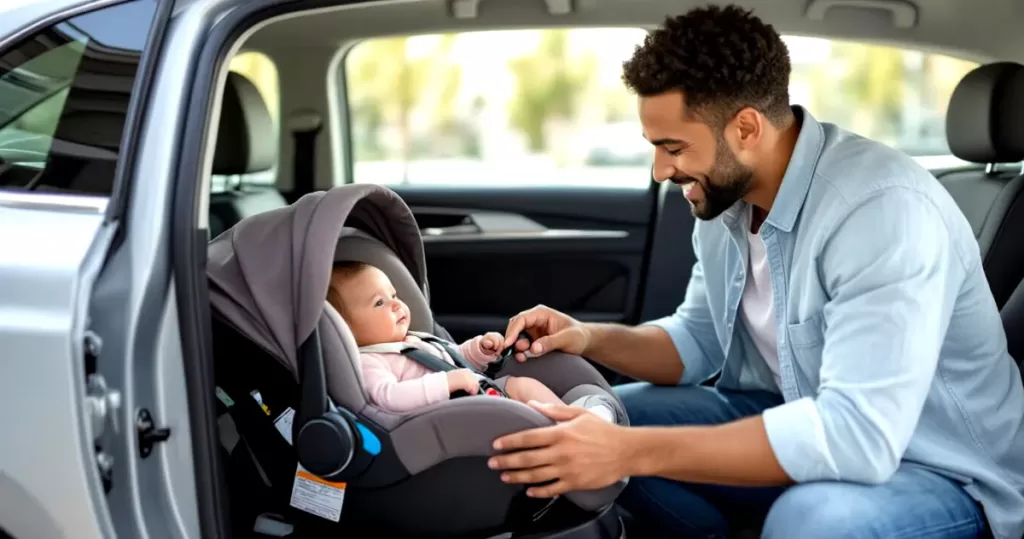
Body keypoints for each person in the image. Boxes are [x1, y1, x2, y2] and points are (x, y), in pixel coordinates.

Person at [483, 5, 1024, 539]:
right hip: (804, 416)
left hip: (939, 467)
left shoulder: (881, 211)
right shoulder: (727, 202)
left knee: (808, 521)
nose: (661, 170)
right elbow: (696, 341)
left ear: (745, 128)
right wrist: (588, 337)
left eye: (674, 148)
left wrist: (628, 452)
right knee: (609, 416)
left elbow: (859, 435)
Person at [326, 261, 616, 421]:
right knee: (517, 402)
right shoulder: (370, 361)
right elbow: (387, 397)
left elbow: (451, 359)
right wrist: (447, 384)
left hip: (475, 397)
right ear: (344, 328)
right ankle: (571, 429)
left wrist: (477, 351)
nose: (396, 304)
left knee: (523, 386)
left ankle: (574, 422)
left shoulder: (412, 340)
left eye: (394, 295)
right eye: (379, 303)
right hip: (450, 418)